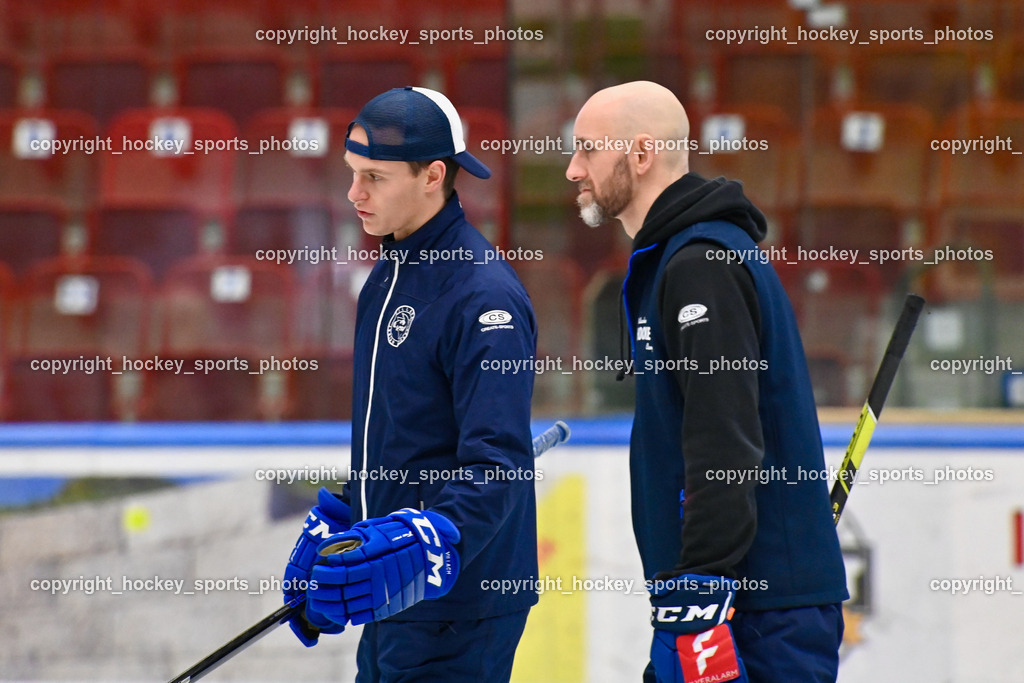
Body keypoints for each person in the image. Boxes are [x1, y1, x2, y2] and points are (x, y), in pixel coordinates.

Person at [565, 81, 848, 683]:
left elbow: (723, 436)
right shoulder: (678, 257)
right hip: (721, 600)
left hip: (749, 610)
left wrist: (701, 589)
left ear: (640, 155)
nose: (572, 169)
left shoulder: (701, 266)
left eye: (587, 149)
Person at [282, 86, 539, 682]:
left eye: (374, 176)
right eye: (351, 174)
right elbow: (396, 432)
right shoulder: (390, 274)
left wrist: (431, 537)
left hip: (459, 609)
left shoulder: (484, 297)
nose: (354, 194)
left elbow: (498, 464)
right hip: (392, 591)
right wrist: (344, 515)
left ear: (434, 175)